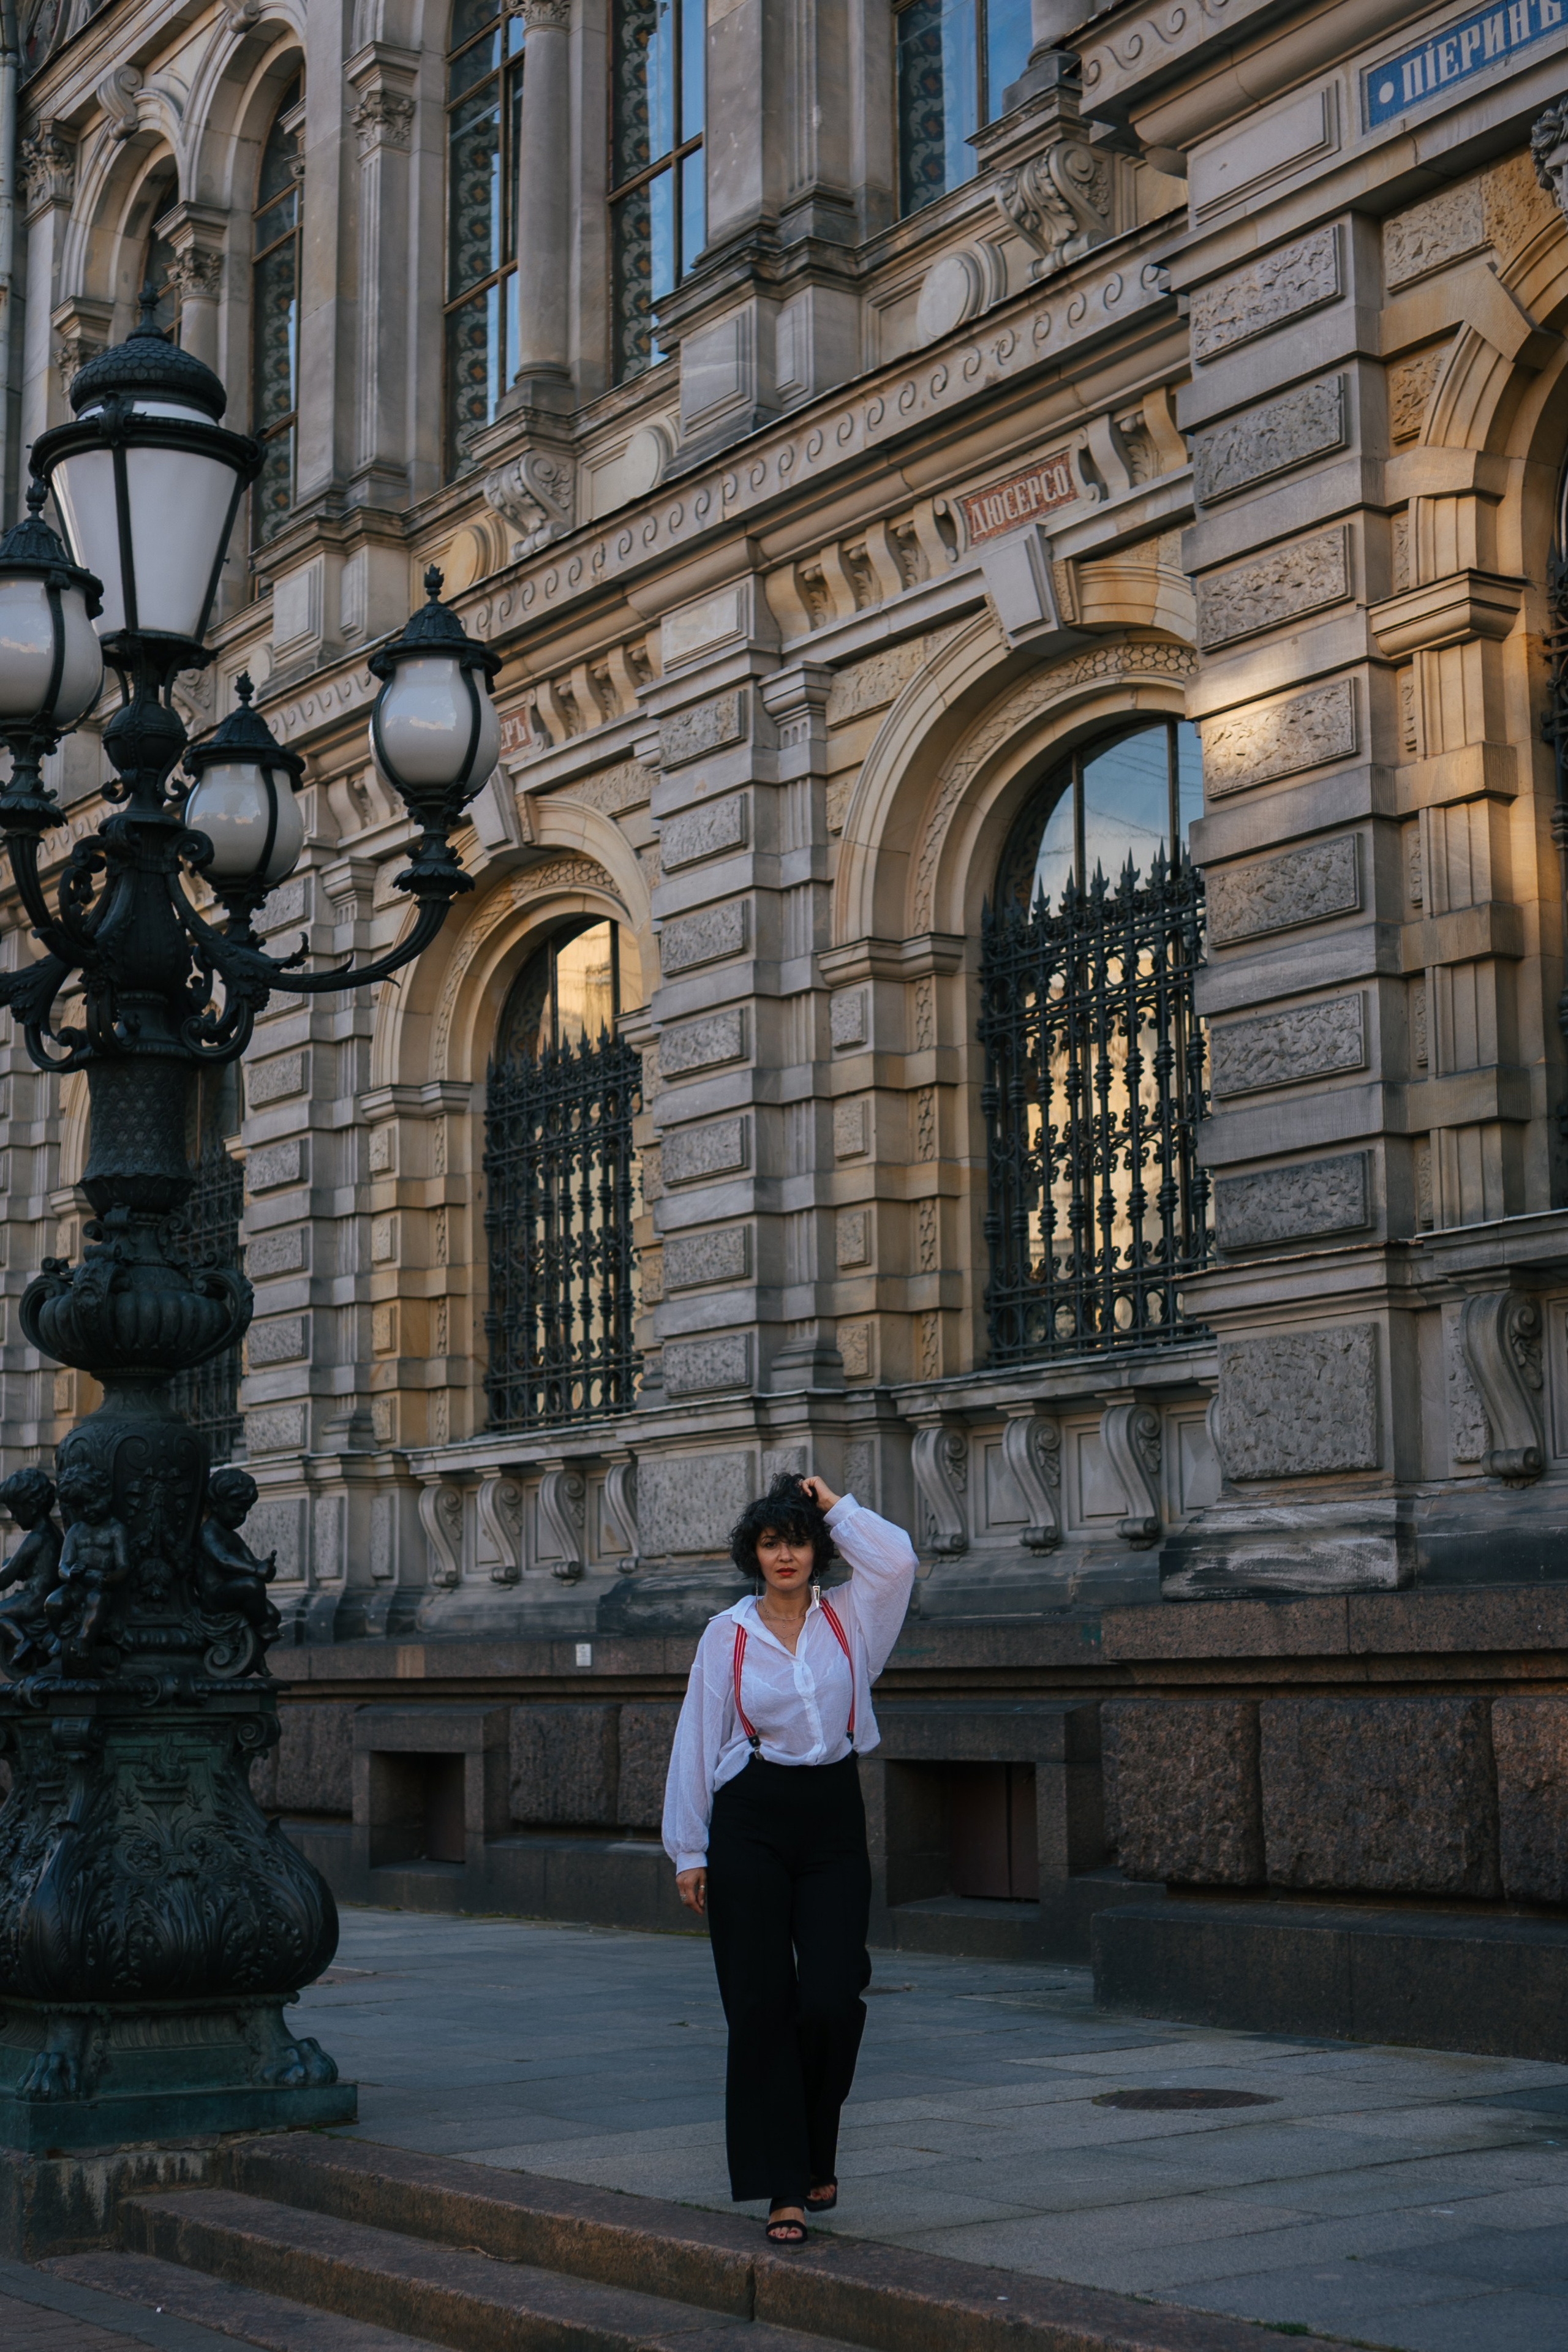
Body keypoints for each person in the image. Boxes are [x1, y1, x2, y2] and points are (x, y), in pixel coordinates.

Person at [662, 1469, 917, 2246]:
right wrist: (688, 1849)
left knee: (833, 1995)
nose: (785, 1556)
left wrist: (834, 1504)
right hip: (749, 1821)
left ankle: (814, 2149)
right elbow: (696, 1741)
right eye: (771, 1543)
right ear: (753, 1554)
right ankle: (786, 2186)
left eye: (797, 1542)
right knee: (761, 2004)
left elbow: (898, 1560)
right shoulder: (727, 1634)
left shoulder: (853, 1619)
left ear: (818, 1551)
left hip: (831, 1817)